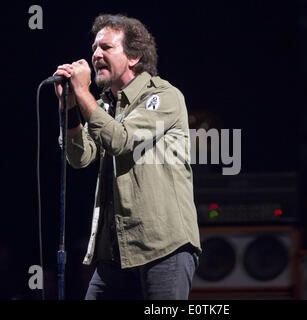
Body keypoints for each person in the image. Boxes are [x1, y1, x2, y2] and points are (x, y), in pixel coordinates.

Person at [53, 13, 201, 300]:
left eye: (106, 48)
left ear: (133, 57)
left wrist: (82, 92)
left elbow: (120, 139)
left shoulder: (164, 96)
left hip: (163, 247)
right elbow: (79, 157)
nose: (95, 55)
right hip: (116, 253)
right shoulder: (103, 105)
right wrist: (70, 107)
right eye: (94, 48)